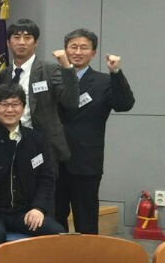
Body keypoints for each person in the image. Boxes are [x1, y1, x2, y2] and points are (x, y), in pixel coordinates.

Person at [0, 84, 64, 259]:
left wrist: (38, 208)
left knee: (57, 232)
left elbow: (46, 177)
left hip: (24, 211)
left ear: (24, 107)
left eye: (15, 104)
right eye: (3, 104)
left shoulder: (36, 138)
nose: (10, 110)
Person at [57, 29, 135, 234]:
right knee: (54, 218)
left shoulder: (104, 81)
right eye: (73, 47)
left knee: (86, 220)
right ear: (65, 50)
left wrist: (116, 72)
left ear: (93, 53)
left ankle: (87, 255)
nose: (78, 52)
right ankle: (56, 254)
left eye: (84, 48)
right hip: (53, 159)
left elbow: (124, 104)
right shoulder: (53, 77)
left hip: (85, 160)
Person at [0, 19, 79, 179]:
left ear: (36, 43)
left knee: (43, 189)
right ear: (8, 42)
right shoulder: (4, 73)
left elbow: (71, 102)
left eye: (28, 37)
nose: (22, 42)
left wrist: (67, 67)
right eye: (16, 37)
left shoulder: (50, 69)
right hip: (10, 142)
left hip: (43, 143)